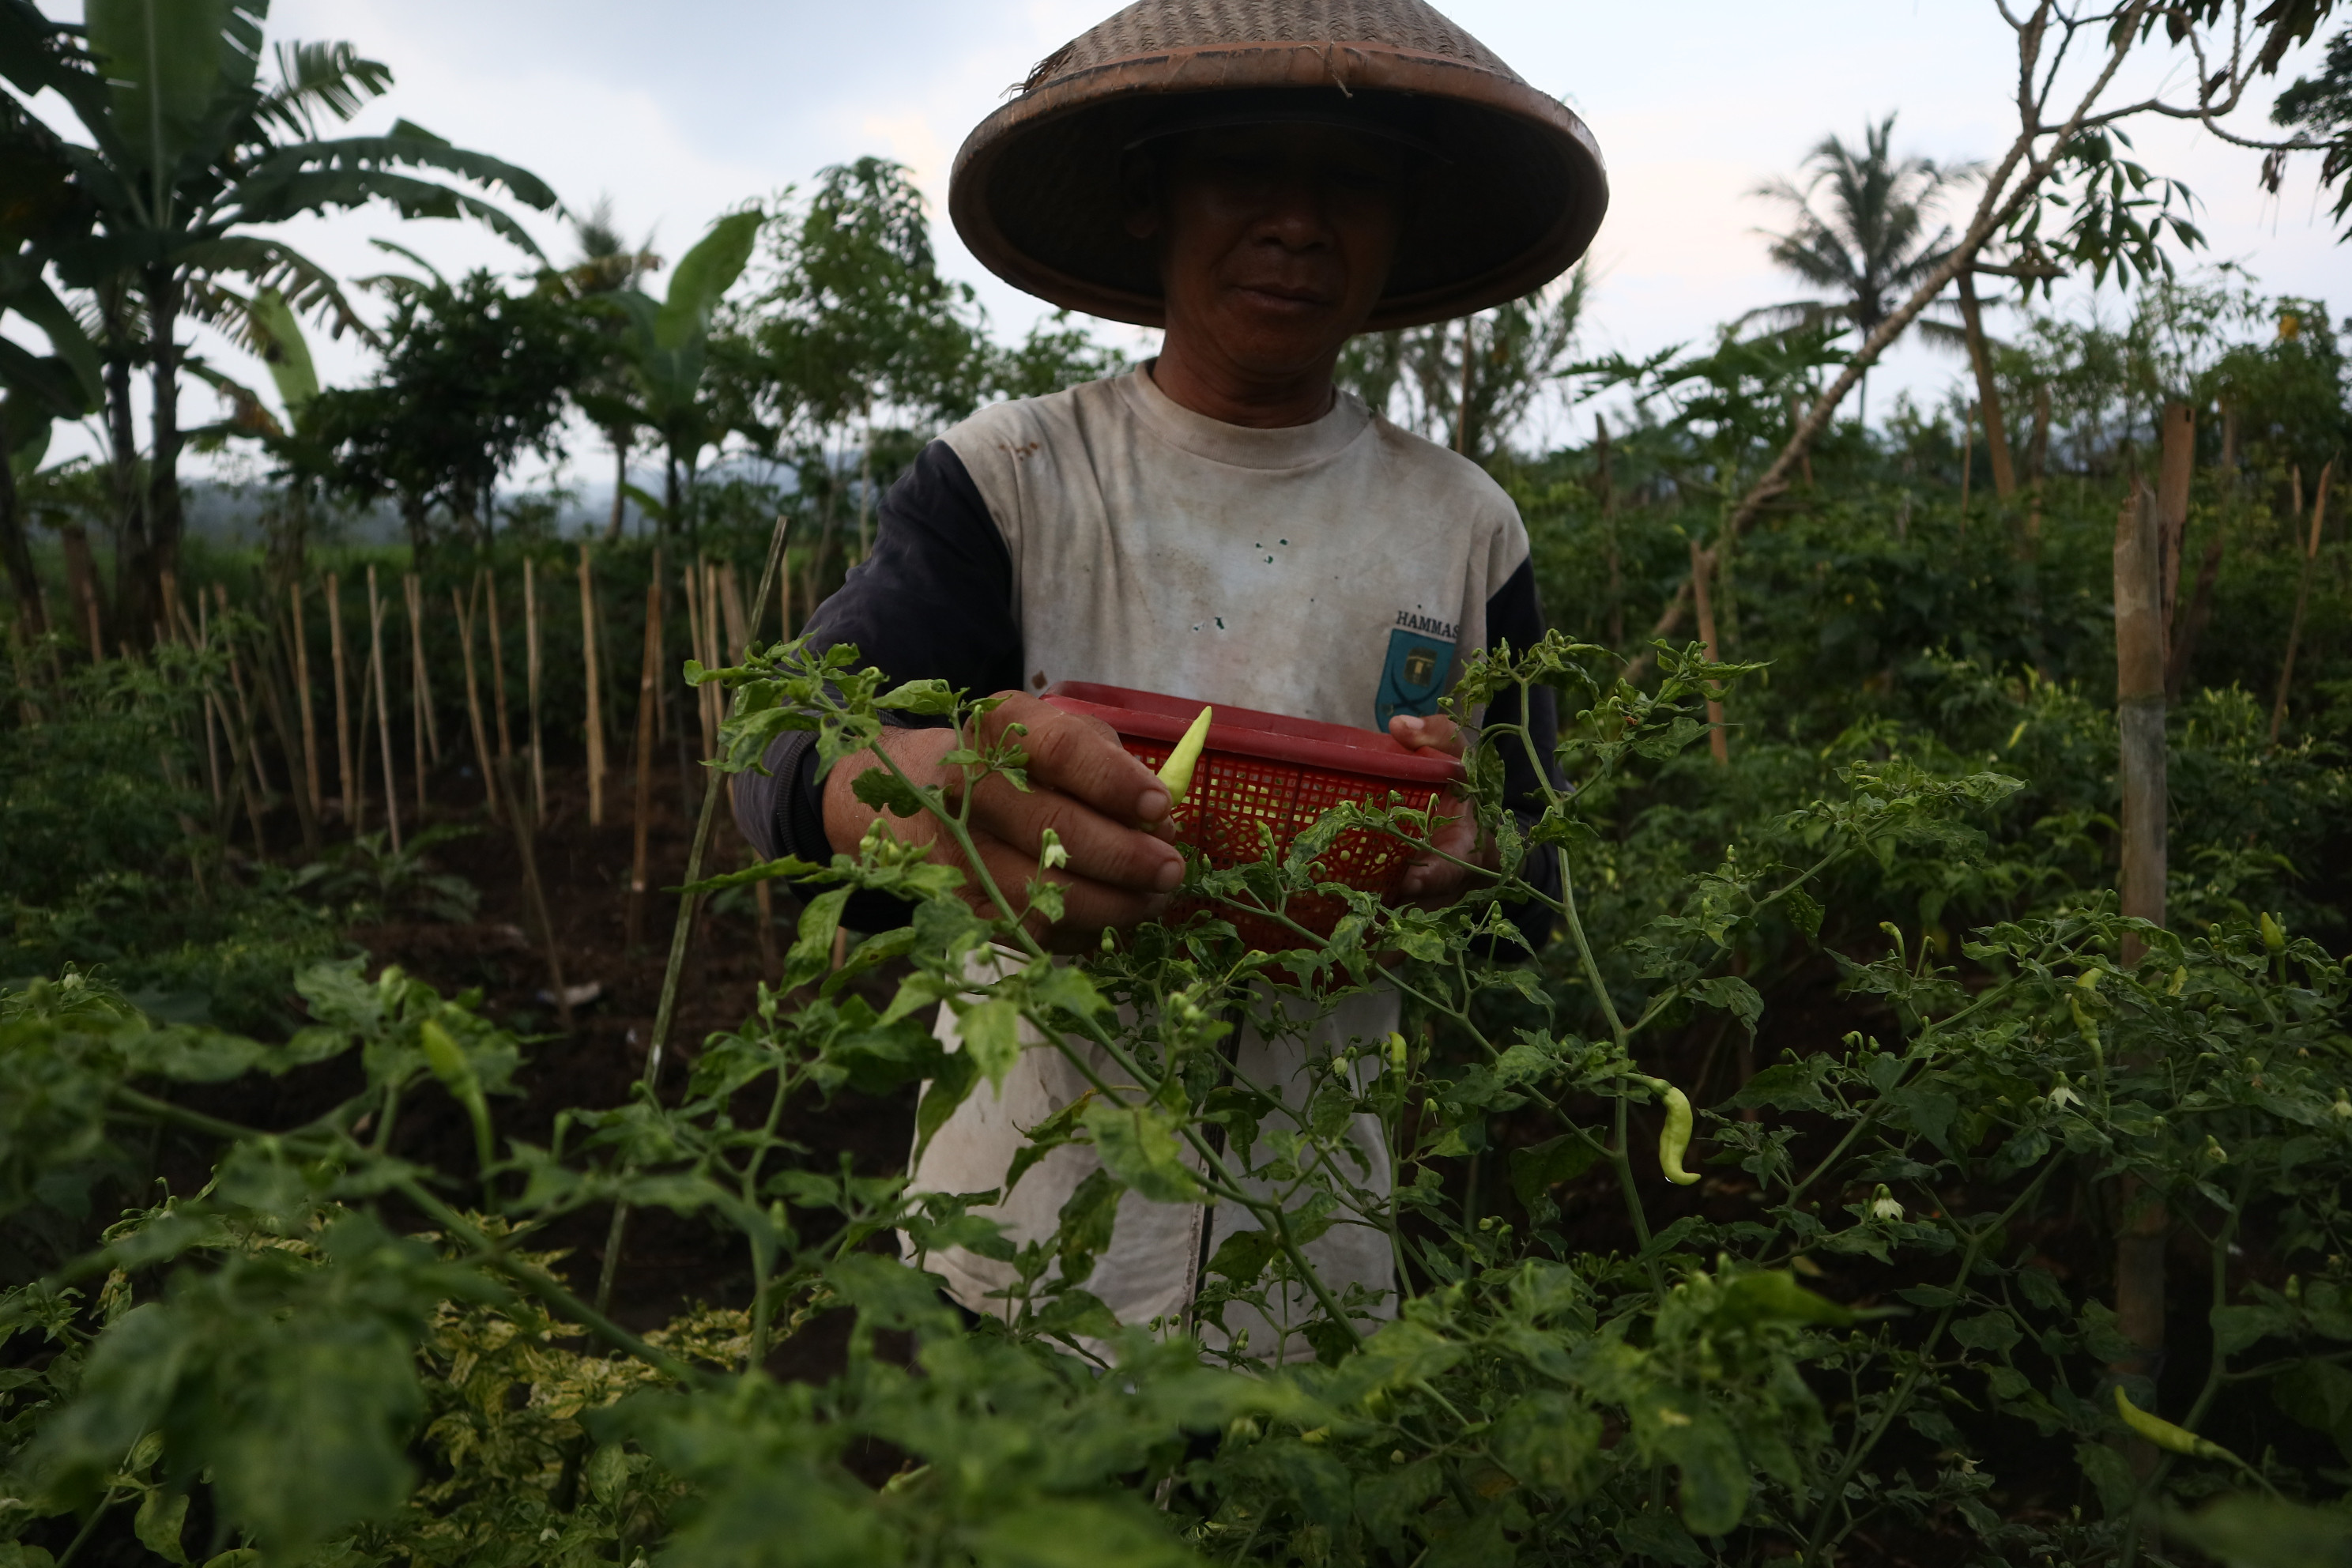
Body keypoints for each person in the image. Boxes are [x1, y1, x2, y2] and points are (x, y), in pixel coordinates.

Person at [734, 0, 1607, 1360]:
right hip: (1013, 1248)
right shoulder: (1015, 477)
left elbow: (1531, 884)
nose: (1299, 223)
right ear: (1152, 198)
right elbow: (789, 746)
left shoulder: (1462, 525)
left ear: (1402, 222)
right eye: (1246, 170)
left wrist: (1474, 856)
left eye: (1353, 182)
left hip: (1312, 1259)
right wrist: (914, 793)